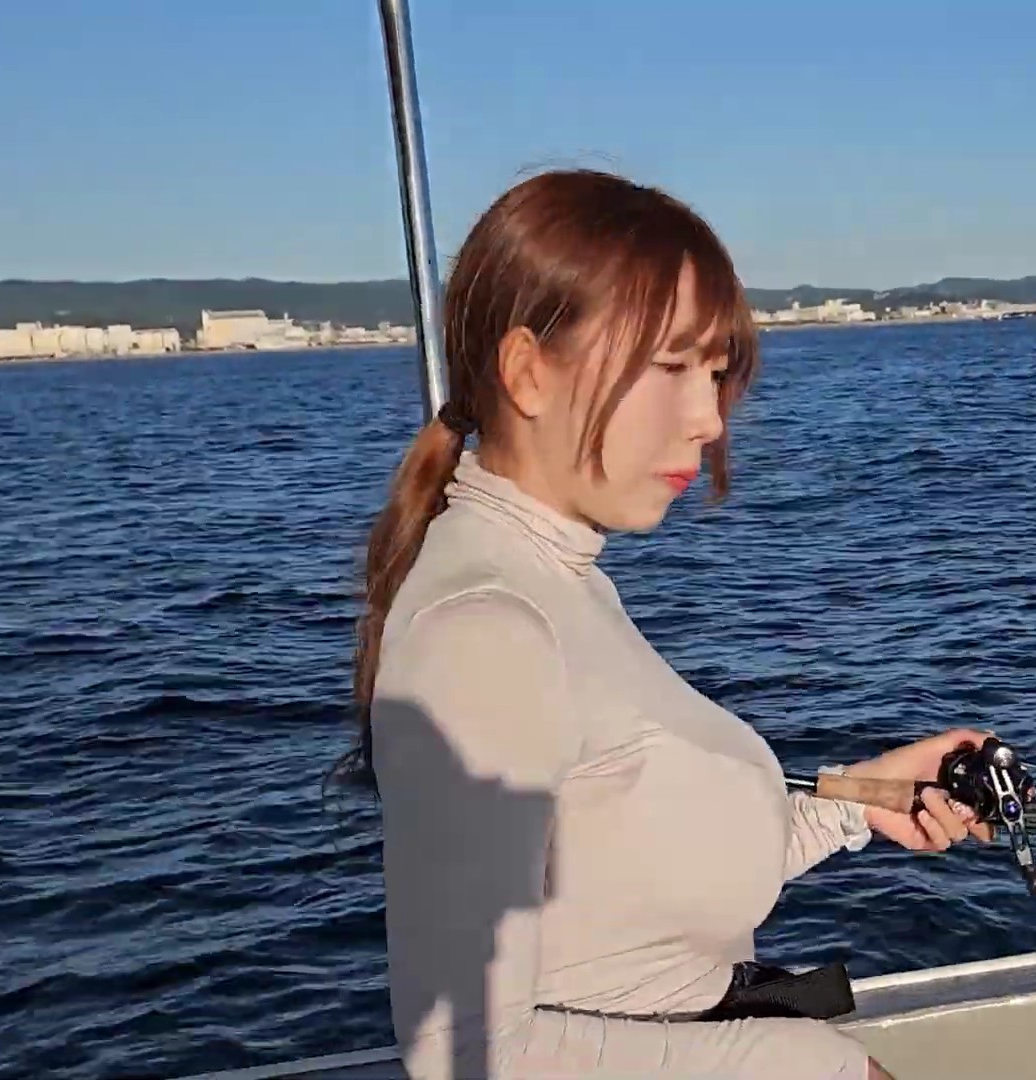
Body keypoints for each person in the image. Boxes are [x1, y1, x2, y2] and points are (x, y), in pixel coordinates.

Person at [336, 168, 990, 1080]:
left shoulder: (558, 583)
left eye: (715, 373)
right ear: (528, 372)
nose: (708, 419)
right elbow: (466, 1051)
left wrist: (858, 804)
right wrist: (808, 1065)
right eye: (671, 368)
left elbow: (632, 866)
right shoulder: (486, 627)